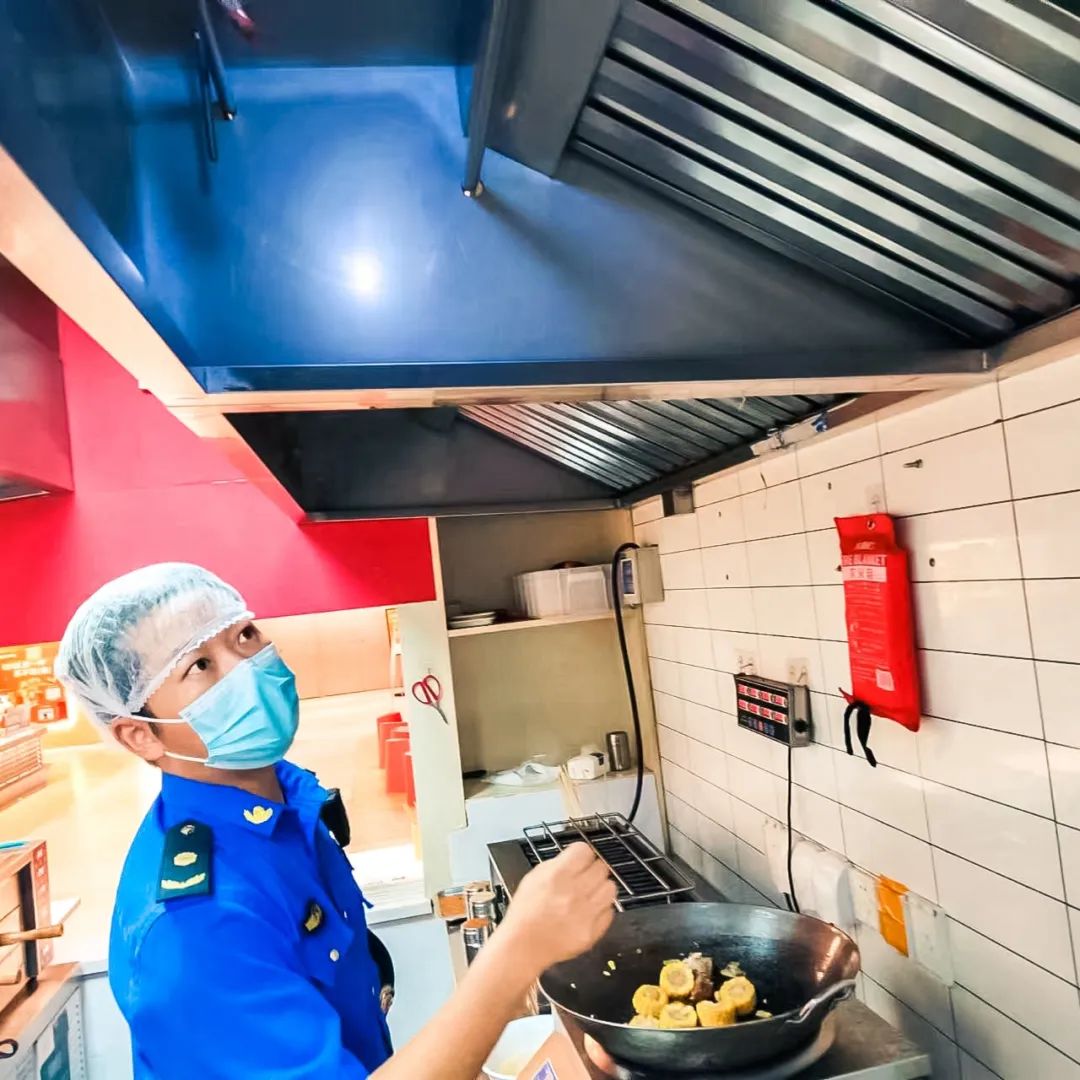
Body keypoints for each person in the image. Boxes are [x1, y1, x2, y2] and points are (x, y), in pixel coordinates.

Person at [56, 563, 617, 1080]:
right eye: (199, 666)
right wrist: (518, 951)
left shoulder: (284, 809)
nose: (246, 667)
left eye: (244, 634)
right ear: (140, 734)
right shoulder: (196, 924)